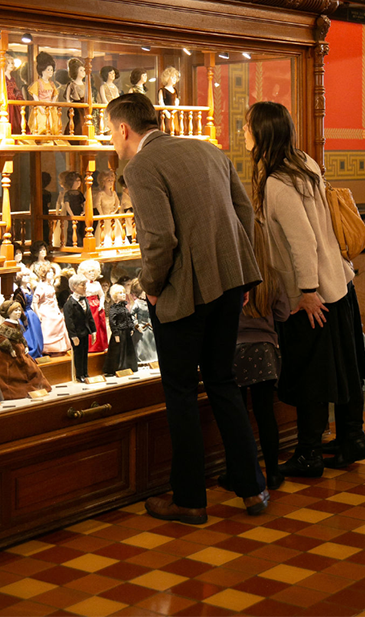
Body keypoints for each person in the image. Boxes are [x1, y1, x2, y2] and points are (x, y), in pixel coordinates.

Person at [106, 92, 267, 525]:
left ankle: (191, 499)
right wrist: (239, 274)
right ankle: (252, 489)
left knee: (179, 392)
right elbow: (245, 211)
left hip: (183, 294)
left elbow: (159, 239)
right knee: (223, 382)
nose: (112, 142)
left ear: (124, 129)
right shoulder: (207, 148)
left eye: (110, 132)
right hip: (231, 284)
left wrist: (152, 288)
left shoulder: (140, 166)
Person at [243, 101, 365, 477]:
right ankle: (352, 438)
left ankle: (309, 454)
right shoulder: (305, 164)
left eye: (247, 126)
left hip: (313, 294)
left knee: (312, 374)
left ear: (263, 133)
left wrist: (307, 291)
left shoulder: (278, 183)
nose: (243, 132)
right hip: (339, 282)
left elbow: (301, 242)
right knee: (345, 367)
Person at [219, 220, 289, 491]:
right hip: (264, 353)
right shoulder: (271, 275)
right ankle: (273, 472)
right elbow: (282, 314)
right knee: (265, 414)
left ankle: (236, 472)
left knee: (236, 417)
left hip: (234, 351)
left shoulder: (229, 275)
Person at [63, 273, 96, 382]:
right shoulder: (69, 304)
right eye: (82, 285)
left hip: (85, 331)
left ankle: (85, 373)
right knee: (78, 354)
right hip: (77, 334)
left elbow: (89, 316)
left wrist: (93, 331)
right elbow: (69, 322)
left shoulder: (85, 300)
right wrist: (73, 336)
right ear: (75, 287)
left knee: (85, 353)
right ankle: (79, 375)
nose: (85, 287)